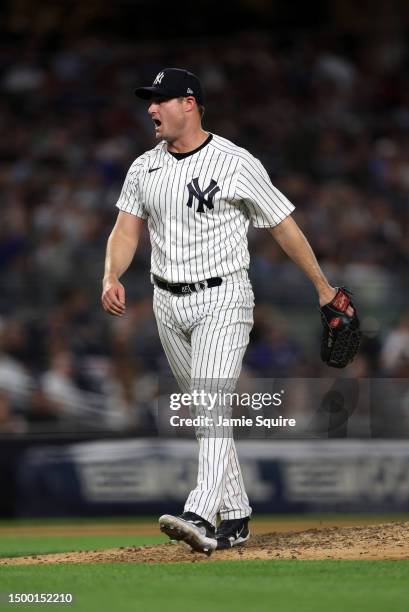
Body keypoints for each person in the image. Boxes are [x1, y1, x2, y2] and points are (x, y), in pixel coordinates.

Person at [101, 68, 353, 554]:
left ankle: (199, 511)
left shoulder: (235, 162)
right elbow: (126, 230)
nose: (151, 108)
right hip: (165, 301)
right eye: (149, 101)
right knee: (203, 411)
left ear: (189, 104)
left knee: (211, 406)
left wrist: (323, 287)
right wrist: (110, 274)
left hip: (223, 297)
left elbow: (282, 225)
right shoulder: (143, 168)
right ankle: (235, 515)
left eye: (162, 100)